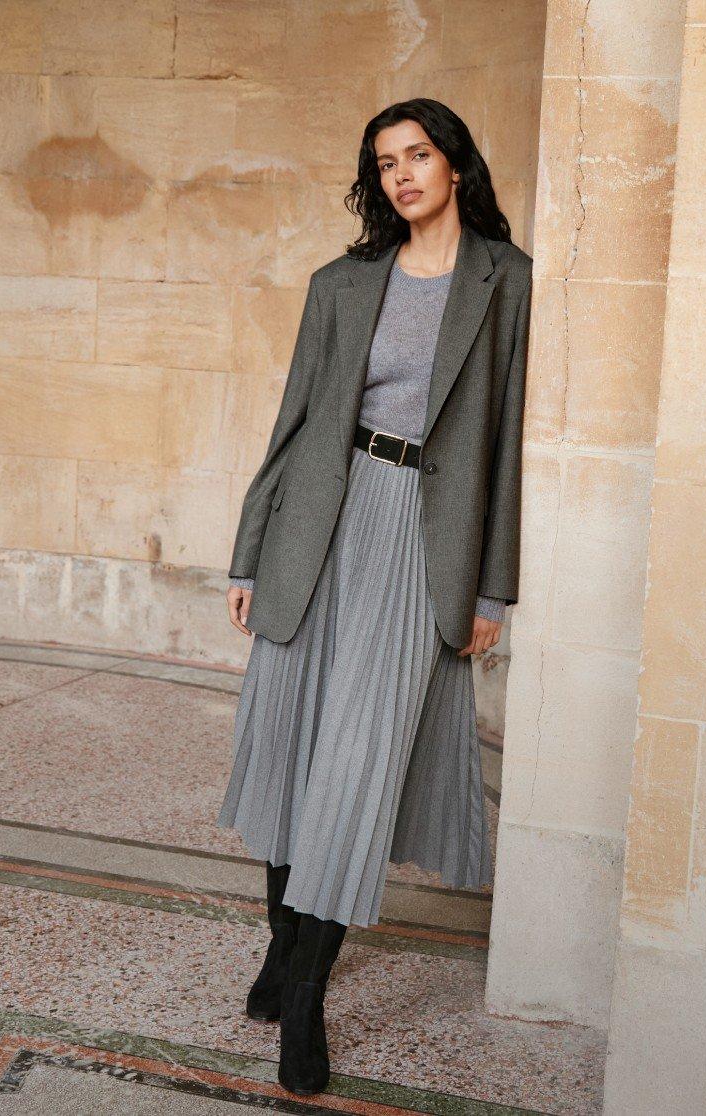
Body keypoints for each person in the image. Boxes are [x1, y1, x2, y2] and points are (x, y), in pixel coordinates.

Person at [213, 97, 532, 1098]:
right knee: (291, 747)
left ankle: (304, 1000)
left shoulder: (507, 284)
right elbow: (294, 421)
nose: (402, 176)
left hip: (419, 538)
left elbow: (509, 446)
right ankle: (281, 947)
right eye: (385, 162)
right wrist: (250, 555)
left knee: (355, 769)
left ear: (454, 165)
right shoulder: (341, 284)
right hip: (322, 519)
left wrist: (492, 589)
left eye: (419, 156)